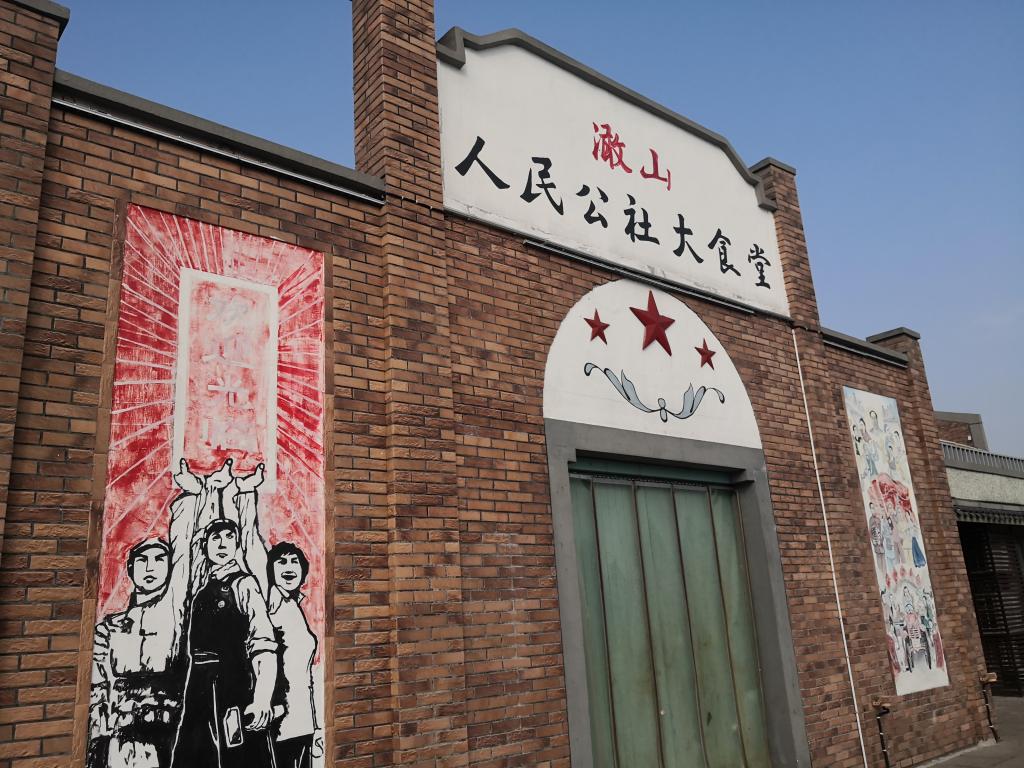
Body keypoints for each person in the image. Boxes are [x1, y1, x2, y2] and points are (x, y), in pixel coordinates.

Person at [88, 458, 229, 768]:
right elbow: (97, 687)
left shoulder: (173, 610)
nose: (150, 567)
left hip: (165, 738)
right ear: (130, 569)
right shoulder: (110, 627)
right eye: (142, 560)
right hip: (119, 742)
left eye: (158, 560)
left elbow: (187, 553)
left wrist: (191, 497)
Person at [171, 518, 277, 768]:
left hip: (232, 690)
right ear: (205, 545)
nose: (222, 544)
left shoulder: (244, 584)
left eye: (230, 538)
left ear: (237, 545)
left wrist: (262, 697)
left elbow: (263, 643)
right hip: (198, 693)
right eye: (216, 538)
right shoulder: (200, 592)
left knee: (237, 758)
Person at [266, 542, 323, 768]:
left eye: (294, 562)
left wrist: (316, 724)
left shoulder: (293, 605)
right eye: (281, 562)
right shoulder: (271, 605)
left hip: (302, 719)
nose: (289, 567)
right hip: (280, 720)